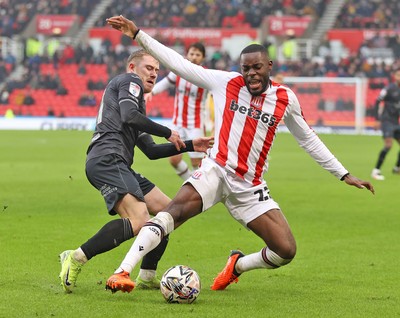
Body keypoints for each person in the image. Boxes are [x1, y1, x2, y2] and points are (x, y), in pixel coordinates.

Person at [104, 15, 375, 294]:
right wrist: (138, 34)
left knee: (285, 250)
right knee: (171, 214)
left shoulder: (285, 99)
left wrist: (343, 173)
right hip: (217, 170)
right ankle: (122, 272)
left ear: (269, 66)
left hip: (250, 185)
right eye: (246, 69)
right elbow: (180, 64)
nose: (251, 74)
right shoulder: (226, 82)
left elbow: (308, 139)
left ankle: (237, 266)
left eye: (257, 67)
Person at [59, 49, 213, 293]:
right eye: (149, 68)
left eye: (156, 71)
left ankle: (147, 275)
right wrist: (167, 130)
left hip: (118, 162)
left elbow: (150, 151)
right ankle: (76, 257)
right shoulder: (129, 82)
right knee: (139, 219)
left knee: (167, 213)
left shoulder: (133, 107)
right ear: (132, 67)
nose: (153, 74)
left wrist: (193, 145)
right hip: (107, 159)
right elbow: (131, 117)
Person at [145, 42, 208, 180]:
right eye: (192, 53)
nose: (194, 57)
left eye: (198, 54)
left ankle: (198, 189)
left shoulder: (206, 76)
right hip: (177, 123)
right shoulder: (179, 72)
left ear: (203, 57)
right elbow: (166, 82)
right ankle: (191, 184)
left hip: (195, 124)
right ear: (187, 55)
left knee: (196, 162)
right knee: (174, 159)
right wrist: (151, 92)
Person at [371, 68, 400, 180]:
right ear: (395, 76)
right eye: (398, 75)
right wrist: (377, 119)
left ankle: (397, 168)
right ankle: (376, 171)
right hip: (387, 121)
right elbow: (377, 101)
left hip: (396, 122)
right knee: (388, 145)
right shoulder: (389, 88)